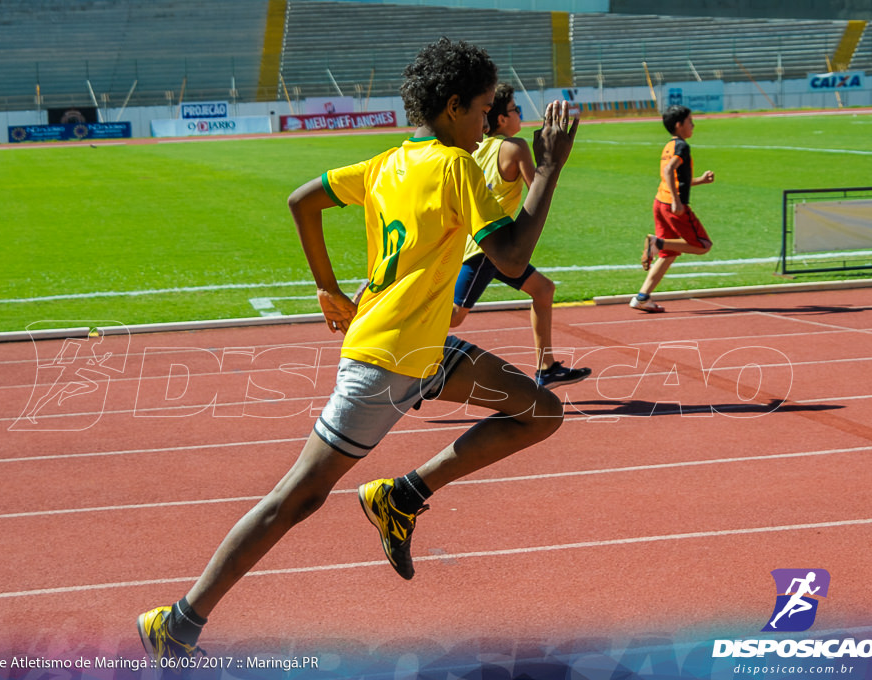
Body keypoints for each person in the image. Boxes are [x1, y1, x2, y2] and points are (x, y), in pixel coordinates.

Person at [137, 37, 579, 663]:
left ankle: (401, 495)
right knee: (297, 497)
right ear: (454, 107)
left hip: (420, 348)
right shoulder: (457, 166)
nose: (490, 121)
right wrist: (552, 164)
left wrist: (326, 286)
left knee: (539, 410)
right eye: (484, 110)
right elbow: (510, 258)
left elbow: (303, 200)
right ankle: (177, 622)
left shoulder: (386, 163)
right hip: (386, 363)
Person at [450, 83, 590, 388]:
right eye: (515, 109)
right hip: (487, 249)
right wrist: (552, 158)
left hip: (488, 243)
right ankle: (402, 341)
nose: (519, 115)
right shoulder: (515, 147)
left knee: (543, 290)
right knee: (455, 316)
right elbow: (539, 186)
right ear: (501, 119)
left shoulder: (478, 148)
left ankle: (546, 367)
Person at [630, 104, 714, 313]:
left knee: (669, 254)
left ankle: (642, 297)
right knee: (703, 245)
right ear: (679, 125)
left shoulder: (669, 146)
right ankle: (656, 243)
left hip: (660, 201)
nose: (693, 125)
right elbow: (669, 171)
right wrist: (677, 201)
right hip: (671, 205)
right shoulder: (682, 147)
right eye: (690, 122)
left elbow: (675, 178)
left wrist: (700, 181)